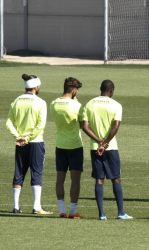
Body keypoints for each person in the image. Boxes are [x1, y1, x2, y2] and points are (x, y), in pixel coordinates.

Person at [82, 80, 132, 220]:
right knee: (116, 178)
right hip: (111, 148)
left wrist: (99, 142)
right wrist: (106, 143)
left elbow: (85, 127)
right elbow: (115, 127)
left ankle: (102, 214)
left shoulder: (89, 104)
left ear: (100, 89)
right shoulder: (116, 105)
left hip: (95, 147)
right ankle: (121, 213)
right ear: (111, 91)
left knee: (99, 179)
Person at [6, 74, 53, 215]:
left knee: (19, 172)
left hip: (20, 143)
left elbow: (8, 122)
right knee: (36, 172)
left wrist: (18, 137)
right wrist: (29, 138)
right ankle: (36, 207)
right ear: (36, 86)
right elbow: (40, 125)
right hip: (35, 142)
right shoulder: (40, 102)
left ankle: (15, 207)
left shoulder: (16, 101)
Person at [50, 77, 85, 219]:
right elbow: (82, 126)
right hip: (75, 145)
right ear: (74, 91)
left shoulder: (53, 104)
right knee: (75, 180)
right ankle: (73, 211)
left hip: (60, 145)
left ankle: (62, 211)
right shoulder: (77, 106)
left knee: (60, 178)